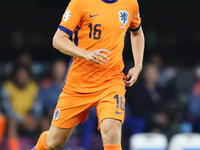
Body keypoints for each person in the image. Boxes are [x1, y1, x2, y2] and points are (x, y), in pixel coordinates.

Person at [32, 0, 145, 149]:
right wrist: (86, 54)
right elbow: (58, 39)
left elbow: (136, 32)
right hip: (79, 83)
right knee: (54, 142)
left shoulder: (130, 3)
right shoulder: (80, 2)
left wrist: (138, 65)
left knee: (112, 132)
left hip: (111, 80)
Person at [1, 65, 38, 150]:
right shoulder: (7, 87)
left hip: (29, 118)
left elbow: (38, 107)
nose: (22, 77)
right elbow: (7, 109)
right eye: (19, 75)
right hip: (14, 119)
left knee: (44, 122)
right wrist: (21, 119)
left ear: (28, 76)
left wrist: (32, 117)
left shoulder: (33, 87)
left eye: (24, 75)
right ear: (15, 76)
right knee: (11, 123)